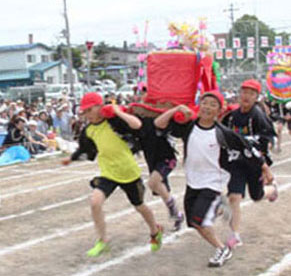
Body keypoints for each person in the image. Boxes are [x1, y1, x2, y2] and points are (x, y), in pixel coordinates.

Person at [154, 90, 272, 267]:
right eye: (205, 103)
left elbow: (248, 150)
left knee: (199, 218)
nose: (207, 107)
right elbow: (159, 124)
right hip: (192, 182)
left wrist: (265, 168)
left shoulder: (223, 133)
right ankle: (218, 208)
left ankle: (222, 248)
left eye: (212, 105)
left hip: (213, 182)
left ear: (219, 111)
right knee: (194, 222)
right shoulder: (189, 127)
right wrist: (177, 108)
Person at [62, 93, 163, 257]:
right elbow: (84, 150)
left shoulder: (115, 122)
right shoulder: (88, 131)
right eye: (84, 112)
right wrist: (71, 159)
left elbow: (137, 125)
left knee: (140, 206)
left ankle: (154, 231)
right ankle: (102, 241)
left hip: (129, 172)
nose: (86, 115)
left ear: (99, 107)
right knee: (95, 202)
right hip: (108, 173)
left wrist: (118, 111)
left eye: (89, 110)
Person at [221, 79, 278, 249]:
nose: (246, 96)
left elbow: (268, 139)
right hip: (237, 163)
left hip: (254, 163)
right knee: (234, 197)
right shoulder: (231, 117)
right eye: (244, 92)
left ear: (256, 97)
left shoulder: (258, 116)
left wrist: (263, 164)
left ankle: (272, 189)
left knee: (256, 196)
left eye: (251, 94)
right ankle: (235, 235)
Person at [138, 116, 184, 231]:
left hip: (167, 159)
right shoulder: (139, 122)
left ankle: (174, 212)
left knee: (153, 182)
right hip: (152, 160)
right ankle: (177, 214)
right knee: (161, 189)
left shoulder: (160, 119)